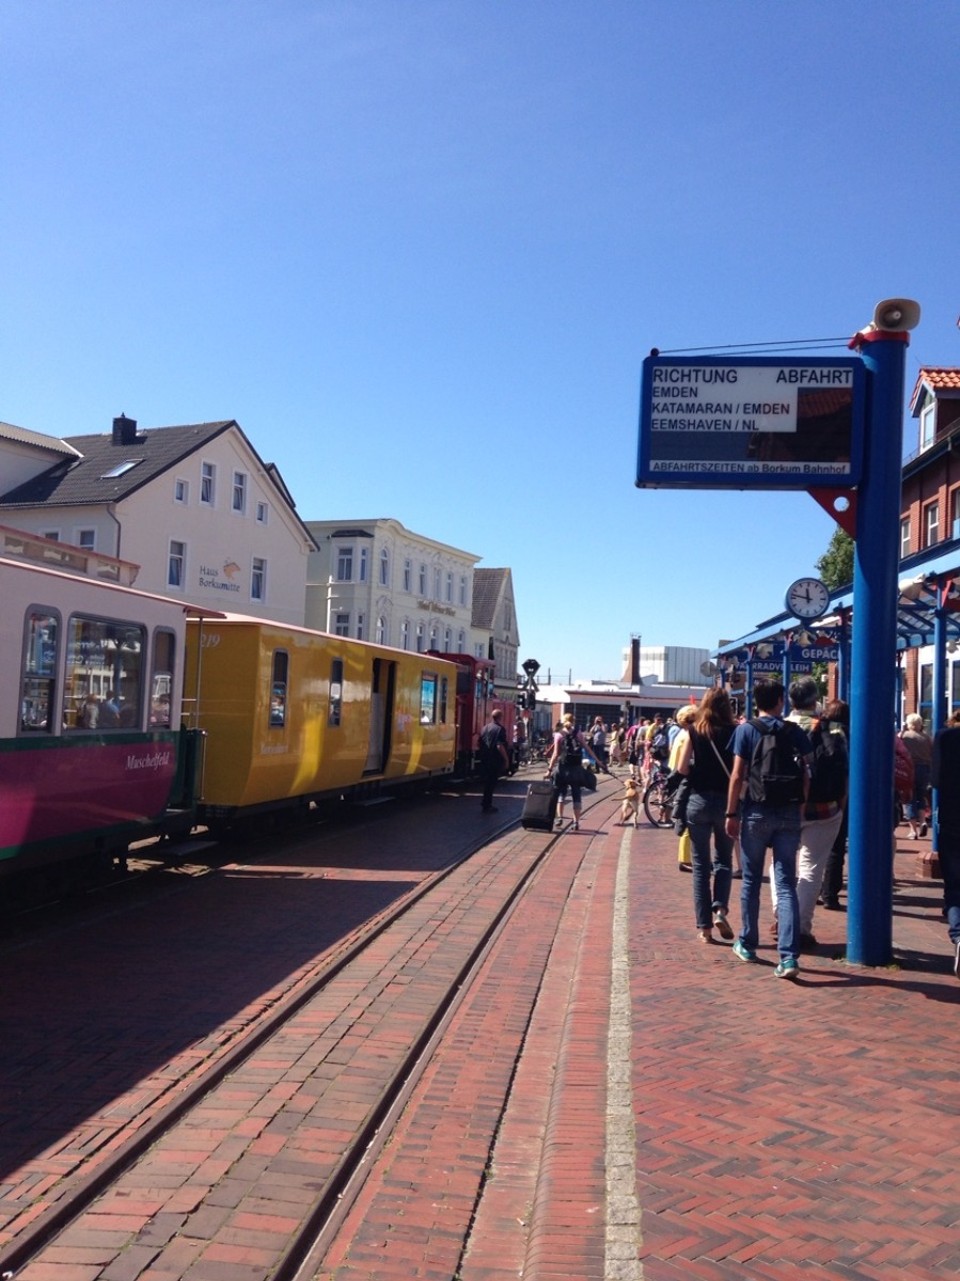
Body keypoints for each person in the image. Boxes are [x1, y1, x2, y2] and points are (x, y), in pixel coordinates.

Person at [724, 679, 813, 979]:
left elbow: (737, 775)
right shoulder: (795, 731)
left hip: (756, 812)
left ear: (757, 701)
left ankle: (747, 943)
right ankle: (789, 957)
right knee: (786, 884)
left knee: (751, 881)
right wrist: (799, 809)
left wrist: (731, 812)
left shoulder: (746, 730)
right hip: (788, 811)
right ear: (779, 701)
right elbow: (808, 772)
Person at [769, 677, 848, 949]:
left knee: (779, 863)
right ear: (816, 700)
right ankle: (800, 928)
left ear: (789, 700)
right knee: (812, 868)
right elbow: (845, 768)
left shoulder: (778, 728)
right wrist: (841, 800)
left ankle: (782, 915)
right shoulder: (833, 728)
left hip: (784, 805)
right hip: (824, 808)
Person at [677, 689, 736, 943]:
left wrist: (699, 771)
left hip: (698, 801)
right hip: (725, 802)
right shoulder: (735, 731)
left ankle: (704, 928)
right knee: (723, 859)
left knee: (700, 866)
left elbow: (681, 767)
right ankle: (720, 908)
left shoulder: (694, 731)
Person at [932, 709, 960, 978]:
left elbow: (936, 780)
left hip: (953, 816)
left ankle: (959, 934)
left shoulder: (944, 737)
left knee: (954, 884)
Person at [819, 698, 850, 911]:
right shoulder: (852, 734)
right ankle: (830, 893)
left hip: (817, 796)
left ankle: (812, 889)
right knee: (836, 848)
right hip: (843, 796)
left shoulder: (819, 731)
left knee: (810, 849)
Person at [546, 713, 601, 831]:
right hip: (576, 769)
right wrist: (598, 761)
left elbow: (555, 754)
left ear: (563, 721)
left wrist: (549, 770)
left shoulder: (558, 735)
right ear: (573, 721)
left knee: (561, 793)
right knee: (576, 794)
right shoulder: (578, 734)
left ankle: (559, 818)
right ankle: (576, 822)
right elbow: (587, 748)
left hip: (562, 768)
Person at [900, 713, 933, 839]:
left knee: (909, 799)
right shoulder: (927, 738)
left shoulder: (904, 736)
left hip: (908, 769)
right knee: (921, 796)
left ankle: (913, 830)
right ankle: (923, 821)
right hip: (924, 770)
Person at [478, 707, 510, 813]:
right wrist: (506, 760)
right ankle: (487, 805)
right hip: (494, 760)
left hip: (484, 758)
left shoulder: (484, 728)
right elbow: (499, 746)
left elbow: (480, 743)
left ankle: (485, 802)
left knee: (487, 782)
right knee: (491, 782)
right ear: (500, 717)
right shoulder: (500, 729)